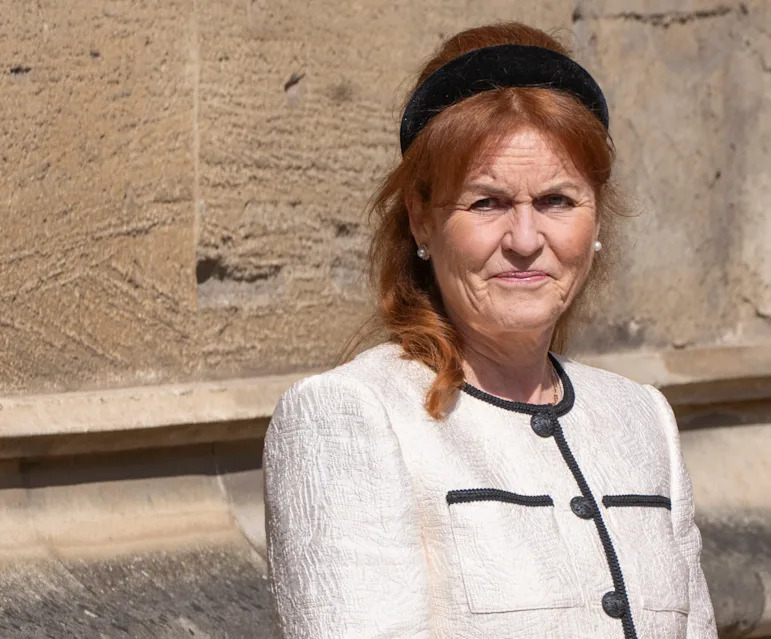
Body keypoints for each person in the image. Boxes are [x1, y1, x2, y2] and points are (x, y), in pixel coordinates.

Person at [263, 22, 718, 639]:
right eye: (487, 203)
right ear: (423, 221)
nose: (526, 241)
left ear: (596, 214)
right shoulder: (352, 417)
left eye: (558, 201)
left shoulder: (643, 422)